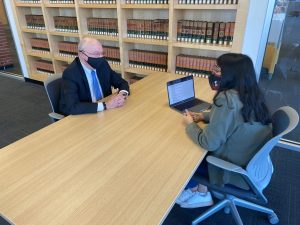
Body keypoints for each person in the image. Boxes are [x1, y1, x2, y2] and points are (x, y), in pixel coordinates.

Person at [177, 53, 272, 208]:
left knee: (186, 157)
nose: (214, 73)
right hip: (254, 165)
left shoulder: (226, 99)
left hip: (233, 169)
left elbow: (208, 143)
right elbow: (236, 118)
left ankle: (201, 193)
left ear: (231, 75)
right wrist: (204, 116)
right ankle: (198, 189)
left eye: (218, 69)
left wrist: (189, 124)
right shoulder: (252, 93)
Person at [59, 38, 130, 115]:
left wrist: (122, 95)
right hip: (85, 115)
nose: (100, 57)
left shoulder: (103, 64)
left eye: (102, 53)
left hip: (106, 112)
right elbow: (72, 107)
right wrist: (105, 105)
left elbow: (122, 82)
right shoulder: (70, 74)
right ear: (82, 54)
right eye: (96, 54)